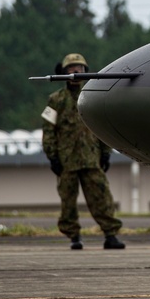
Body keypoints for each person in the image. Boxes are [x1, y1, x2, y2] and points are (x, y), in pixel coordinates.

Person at [42, 53, 125, 250]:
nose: (75, 71)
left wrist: (106, 152)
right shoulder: (55, 100)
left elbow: (103, 126)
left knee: (101, 197)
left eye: (79, 68)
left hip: (91, 158)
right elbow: (47, 129)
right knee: (68, 202)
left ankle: (110, 234)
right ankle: (74, 236)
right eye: (71, 68)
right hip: (66, 159)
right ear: (63, 72)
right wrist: (52, 156)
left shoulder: (93, 97)